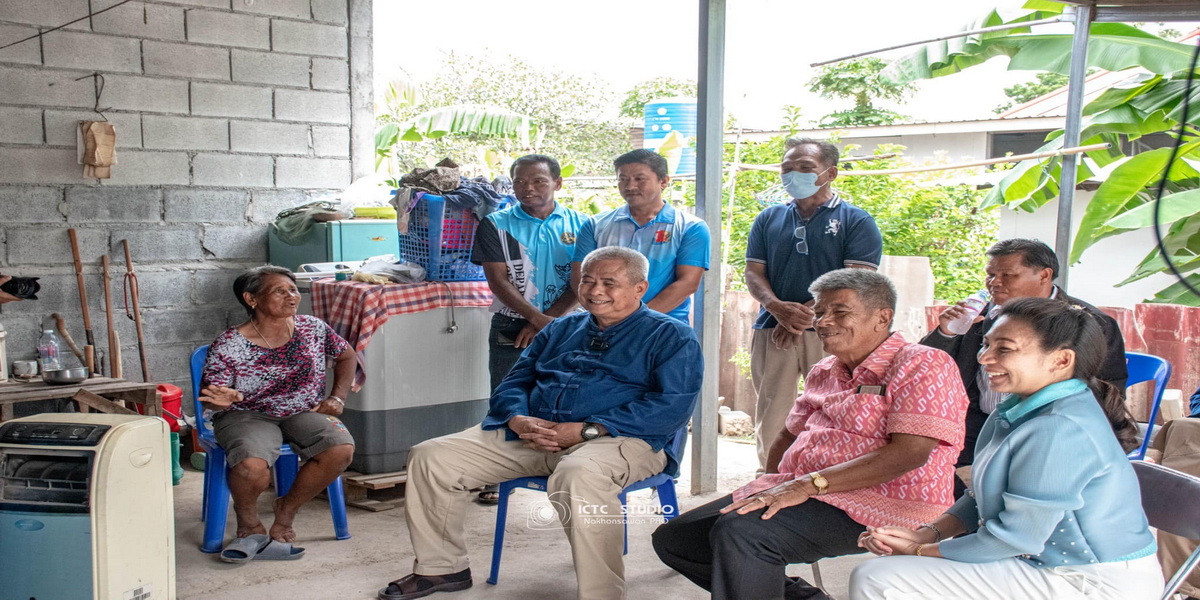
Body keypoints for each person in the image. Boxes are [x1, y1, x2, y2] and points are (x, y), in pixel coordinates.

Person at [379, 246, 702, 600]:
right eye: (588, 281)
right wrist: (518, 420)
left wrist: (587, 430)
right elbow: (514, 383)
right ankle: (442, 568)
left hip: (621, 439)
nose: (595, 291)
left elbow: (672, 406)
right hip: (537, 434)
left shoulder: (671, 336)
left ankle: (602, 594)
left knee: (578, 475)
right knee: (432, 457)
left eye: (609, 283)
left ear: (640, 288)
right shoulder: (561, 328)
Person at [652, 269, 967, 600]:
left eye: (840, 311)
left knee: (745, 532)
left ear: (882, 317)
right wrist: (774, 484)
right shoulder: (824, 370)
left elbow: (909, 454)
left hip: (888, 499)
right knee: (677, 540)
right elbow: (788, 435)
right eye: (819, 312)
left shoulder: (922, 363)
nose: (823, 321)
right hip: (810, 488)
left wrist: (804, 486)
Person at [850, 297, 1160, 600]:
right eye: (986, 344)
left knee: (879, 578)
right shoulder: (1016, 408)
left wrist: (918, 550)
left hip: (1091, 580)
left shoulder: (1058, 427)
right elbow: (983, 496)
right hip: (1041, 561)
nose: (984, 358)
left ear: (1061, 360)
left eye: (1005, 349)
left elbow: (1015, 538)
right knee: (894, 572)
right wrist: (926, 534)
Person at [920, 238, 1128, 480]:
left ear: (1044, 275)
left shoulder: (1088, 323)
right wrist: (946, 333)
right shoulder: (978, 315)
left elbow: (1107, 389)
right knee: (935, 474)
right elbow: (925, 365)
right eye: (990, 275)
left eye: (1008, 275)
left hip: (1045, 426)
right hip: (979, 424)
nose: (994, 283)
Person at [745, 137, 883, 473]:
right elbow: (753, 272)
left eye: (805, 167)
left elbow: (856, 278)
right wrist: (777, 308)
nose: (794, 174)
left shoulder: (856, 220)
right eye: (787, 168)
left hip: (835, 333)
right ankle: (770, 477)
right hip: (773, 328)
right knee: (772, 409)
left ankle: (827, 479)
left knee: (835, 406)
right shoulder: (768, 218)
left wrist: (803, 316)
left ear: (830, 173)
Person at [200, 266, 356, 552]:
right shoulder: (229, 344)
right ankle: (247, 519)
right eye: (279, 291)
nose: (291, 296)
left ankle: (286, 509)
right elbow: (211, 397)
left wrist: (338, 397)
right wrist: (222, 399)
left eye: (293, 290)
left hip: (303, 410)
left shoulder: (312, 328)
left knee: (340, 449)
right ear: (251, 299)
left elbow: (347, 356)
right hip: (246, 414)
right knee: (251, 467)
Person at [471, 154, 589, 505]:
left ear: (557, 183)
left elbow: (581, 280)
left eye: (538, 181)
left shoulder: (583, 224)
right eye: (520, 181)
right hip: (512, 324)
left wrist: (546, 321)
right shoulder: (496, 223)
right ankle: (495, 474)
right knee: (507, 396)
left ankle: (567, 467)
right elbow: (498, 280)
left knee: (568, 395)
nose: (528, 188)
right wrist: (537, 321)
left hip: (569, 324)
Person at [571, 148, 710, 323]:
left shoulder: (690, 227)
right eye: (623, 179)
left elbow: (687, 283)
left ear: (663, 181)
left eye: (639, 179)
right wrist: (607, 318)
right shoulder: (595, 225)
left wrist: (633, 322)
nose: (630, 186)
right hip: (602, 325)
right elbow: (580, 277)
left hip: (662, 325)